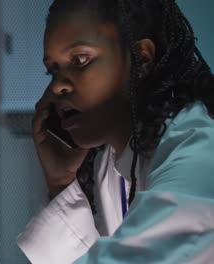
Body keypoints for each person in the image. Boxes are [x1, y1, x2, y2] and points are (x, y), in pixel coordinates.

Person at [17, 0, 214, 263]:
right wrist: (61, 183)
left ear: (141, 57)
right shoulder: (108, 164)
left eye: (79, 60)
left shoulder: (198, 153)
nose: (57, 87)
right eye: (52, 70)